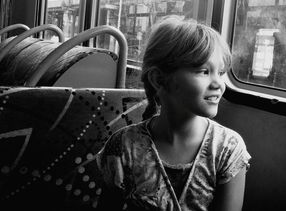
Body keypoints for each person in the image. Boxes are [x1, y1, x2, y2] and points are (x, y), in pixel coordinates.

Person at [96, 16, 251, 211]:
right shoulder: (122, 147)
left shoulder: (228, 149)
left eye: (220, 72)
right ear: (159, 80)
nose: (218, 84)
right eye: (203, 71)